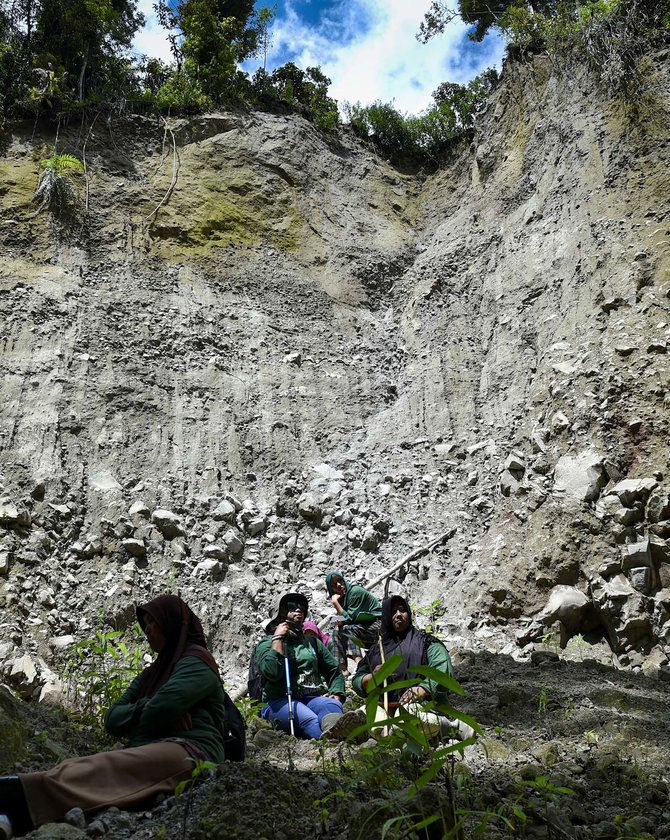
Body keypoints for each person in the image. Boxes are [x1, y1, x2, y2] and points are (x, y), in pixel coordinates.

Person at [0, 595, 228, 839]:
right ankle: (14, 807)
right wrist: (147, 708)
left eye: (154, 622)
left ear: (171, 622)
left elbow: (162, 708)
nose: (147, 629)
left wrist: (155, 712)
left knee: (106, 769)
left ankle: (15, 797)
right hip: (153, 747)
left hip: (191, 751)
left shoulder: (198, 662)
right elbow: (112, 719)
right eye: (145, 624)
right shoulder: (151, 674)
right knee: (85, 766)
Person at [352, 594, 473, 742]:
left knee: (406, 717)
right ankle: (387, 735)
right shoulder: (376, 650)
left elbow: (443, 668)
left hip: (420, 705)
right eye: (393, 612)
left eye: (402, 610)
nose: (398, 615)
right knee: (364, 714)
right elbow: (358, 678)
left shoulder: (425, 642)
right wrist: (371, 678)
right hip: (384, 707)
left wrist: (422, 689)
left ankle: (450, 726)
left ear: (409, 614)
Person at [255, 592, 346, 739]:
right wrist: (278, 638)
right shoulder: (267, 644)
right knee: (309, 719)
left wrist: (337, 693)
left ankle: (338, 736)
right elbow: (271, 672)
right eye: (291, 607)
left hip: (312, 697)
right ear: (280, 614)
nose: (298, 610)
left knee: (332, 706)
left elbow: (333, 670)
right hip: (279, 701)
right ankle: (330, 744)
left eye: (301, 607)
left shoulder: (312, 642)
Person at [325, 570, 382, 675]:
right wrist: (336, 620)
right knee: (335, 633)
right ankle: (343, 670)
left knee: (347, 629)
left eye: (340, 581)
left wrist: (335, 602)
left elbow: (349, 619)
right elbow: (346, 618)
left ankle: (360, 664)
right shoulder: (344, 599)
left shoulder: (355, 592)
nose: (339, 585)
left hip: (378, 625)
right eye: (334, 585)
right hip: (364, 627)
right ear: (331, 589)